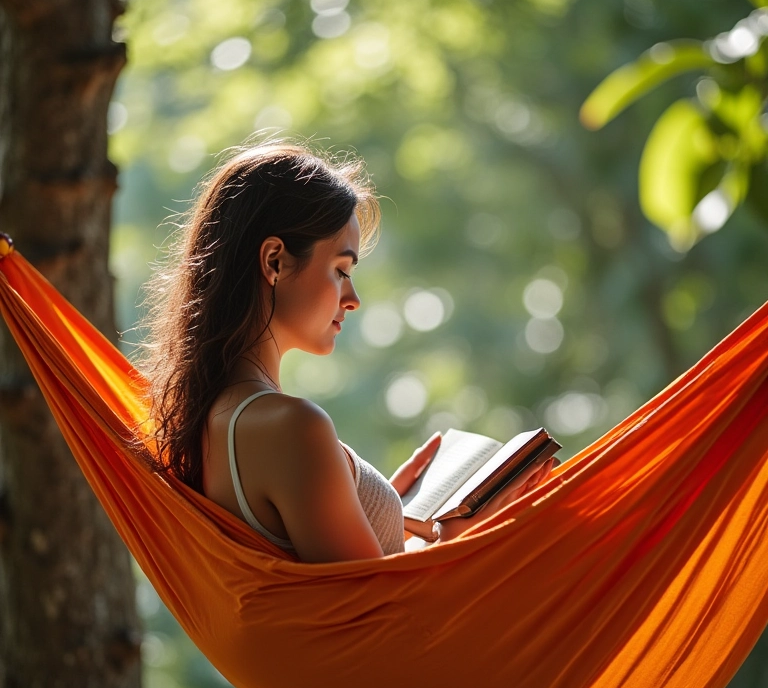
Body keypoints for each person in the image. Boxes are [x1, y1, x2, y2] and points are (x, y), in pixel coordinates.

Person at [142, 140, 552, 563]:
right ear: (274, 261)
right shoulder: (292, 427)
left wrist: (381, 511)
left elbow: (333, 585)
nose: (353, 298)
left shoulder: (216, 416)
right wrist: (458, 538)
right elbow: (376, 614)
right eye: (340, 271)